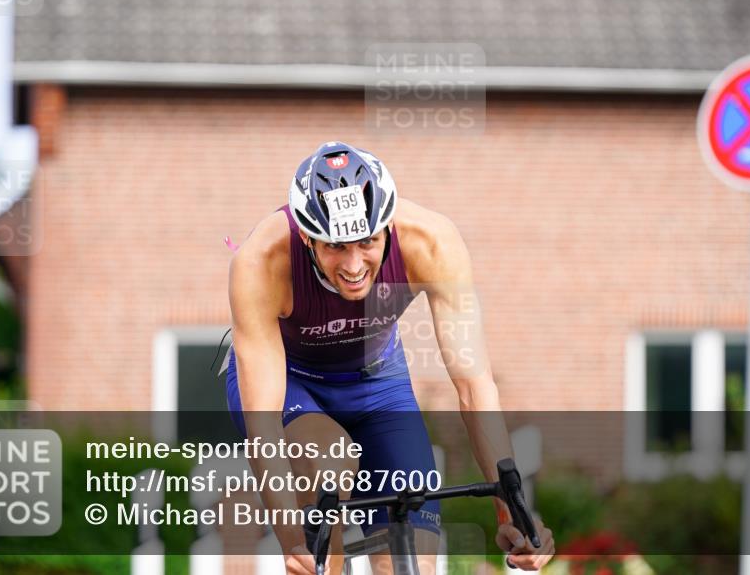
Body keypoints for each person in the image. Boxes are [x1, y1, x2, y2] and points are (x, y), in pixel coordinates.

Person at [226, 141, 554, 574]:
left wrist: (510, 510)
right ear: (306, 237)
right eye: (335, 247)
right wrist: (294, 541)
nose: (354, 264)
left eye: (367, 242)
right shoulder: (262, 261)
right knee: (329, 463)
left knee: (411, 555)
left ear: (388, 229)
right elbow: (263, 422)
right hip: (291, 382)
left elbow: (474, 385)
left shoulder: (432, 243)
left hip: (379, 383)